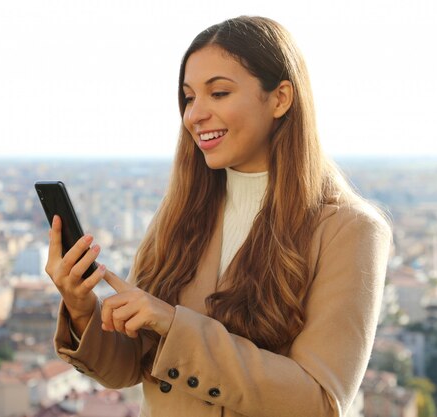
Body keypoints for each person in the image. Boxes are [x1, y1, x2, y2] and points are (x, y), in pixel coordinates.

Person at [45, 15, 392, 417]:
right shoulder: (179, 214)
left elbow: (318, 402)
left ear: (280, 98)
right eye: (189, 97)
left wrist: (174, 326)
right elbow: (130, 367)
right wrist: (81, 305)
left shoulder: (348, 230)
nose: (194, 114)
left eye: (219, 93)